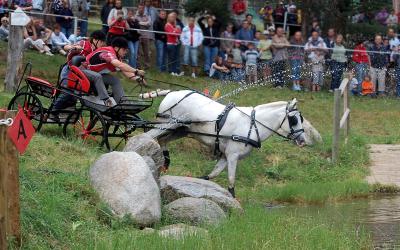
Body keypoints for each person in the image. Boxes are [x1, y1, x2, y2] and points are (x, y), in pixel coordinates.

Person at [53, 30, 107, 111]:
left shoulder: (98, 51)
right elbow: (66, 47)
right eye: (101, 42)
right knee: (68, 91)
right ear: (95, 40)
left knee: (79, 93)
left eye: (104, 42)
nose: (103, 44)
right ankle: (53, 110)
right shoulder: (84, 44)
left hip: (82, 74)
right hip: (69, 71)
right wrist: (74, 47)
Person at [85, 37, 145, 106]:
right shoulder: (107, 53)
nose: (125, 52)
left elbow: (125, 71)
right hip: (84, 72)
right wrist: (136, 71)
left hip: (95, 74)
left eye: (126, 50)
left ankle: (122, 103)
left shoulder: (117, 57)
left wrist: (138, 79)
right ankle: (106, 100)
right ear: (116, 48)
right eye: (124, 50)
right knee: (97, 76)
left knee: (115, 80)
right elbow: (120, 65)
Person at [136, 3, 152, 69]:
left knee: (147, 52)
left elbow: (149, 24)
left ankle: (147, 65)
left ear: (144, 9)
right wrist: (144, 23)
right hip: (138, 36)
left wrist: (140, 23)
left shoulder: (147, 15)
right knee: (138, 53)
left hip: (146, 36)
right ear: (138, 8)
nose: (141, 9)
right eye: (139, 8)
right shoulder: (135, 15)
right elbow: (136, 23)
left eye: (142, 8)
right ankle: (138, 66)